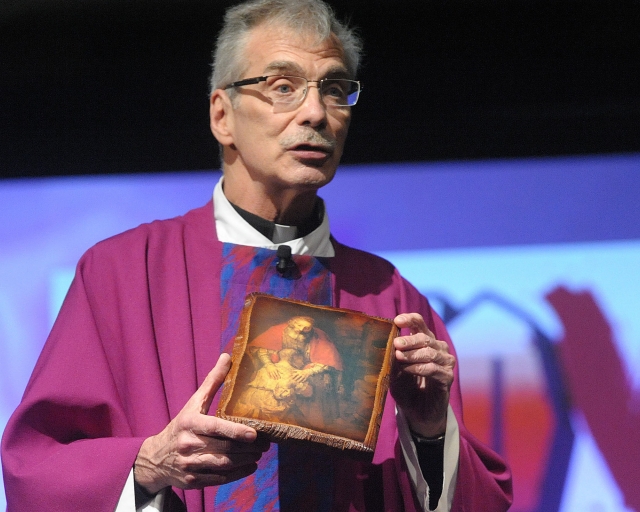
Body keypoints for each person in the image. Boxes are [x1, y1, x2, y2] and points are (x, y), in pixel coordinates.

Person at [1, 0, 513, 511]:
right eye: (282, 87)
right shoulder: (125, 273)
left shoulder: (388, 295)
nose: (316, 113)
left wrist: (425, 428)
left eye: (335, 90)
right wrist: (151, 464)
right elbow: (39, 470)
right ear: (222, 115)